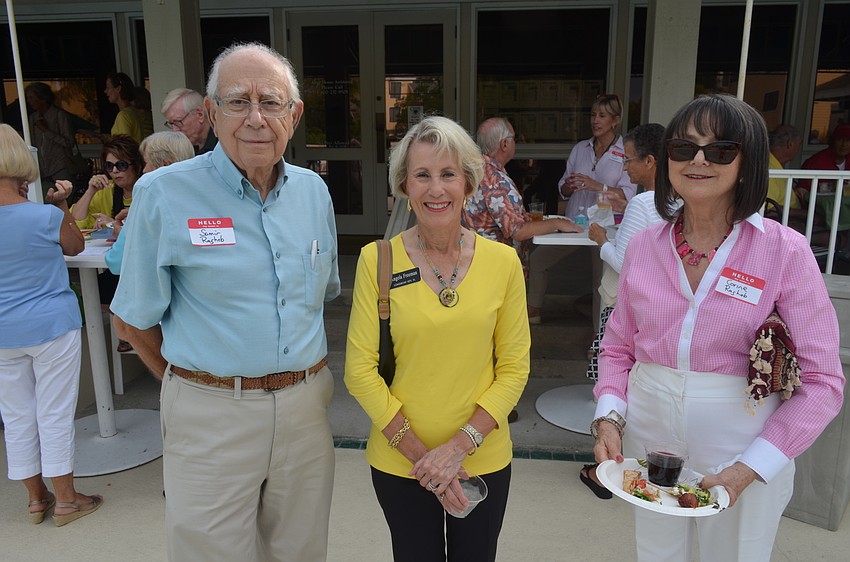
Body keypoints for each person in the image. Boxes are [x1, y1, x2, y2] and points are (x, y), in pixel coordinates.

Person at [111, 42, 340, 561]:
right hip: (210, 411)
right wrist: (187, 385)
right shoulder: (164, 194)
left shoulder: (313, 193)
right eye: (238, 102)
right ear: (211, 114)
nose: (256, 118)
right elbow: (131, 320)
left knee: (301, 552)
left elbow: (321, 298)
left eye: (272, 102)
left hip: (306, 410)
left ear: (295, 115)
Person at [592, 94, 844, 561]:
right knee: (658, 555)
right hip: (650, 440)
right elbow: (618, 348)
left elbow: (823, 383)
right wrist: (609, 416)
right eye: (684, 149)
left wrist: (752, 467)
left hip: (742, 444)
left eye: (720, 149)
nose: (700, 160)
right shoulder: (645, 246)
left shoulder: (784, 251)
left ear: (747, 161)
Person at [345, 116, 530, 562]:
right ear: (404, 188)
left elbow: (514, 368)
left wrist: (457, 449)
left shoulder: (502, 263)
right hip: (400, 463)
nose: (436, 189)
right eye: (422, 175)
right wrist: (425, 460)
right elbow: (359, 371)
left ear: (468, 182)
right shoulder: (378, 260)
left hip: (481, 458)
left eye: (448, 174)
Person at [0, 124, 103, 527]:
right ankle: (66, 499)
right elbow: (75, 246)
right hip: (50, 324)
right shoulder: (42, 215)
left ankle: (35, 499)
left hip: (4, 333)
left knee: (17, 415)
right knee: (54, 413)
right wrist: (61, 207)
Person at [582, 123, 666, 500]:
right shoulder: (686, 202)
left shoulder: (645, 202)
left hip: (624, 306)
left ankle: (606, 469)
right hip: (661, 310)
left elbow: (622, 261)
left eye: (629, 159)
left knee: (614, 380)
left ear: (651, 161)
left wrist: (601, 240)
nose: (625, 167)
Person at [527, 93, 636, 323]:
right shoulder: (580, 149)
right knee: (538, 261)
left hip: (605, 227)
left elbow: (628, 196)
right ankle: (533, 310)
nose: (595, 120)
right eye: (593, 115)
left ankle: (599, 341)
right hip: (574, 223)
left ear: (615, 120)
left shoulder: (625, 152)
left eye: (602, 116)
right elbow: (562, 189)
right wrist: (566, 186)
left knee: (602, 282)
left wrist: (598, 185)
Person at [463, 116, 581, 274]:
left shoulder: (478, 171)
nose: (516, 143)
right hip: (493, 267)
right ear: (504, 144)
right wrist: (557, 223)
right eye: (514, 138)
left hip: (476, 260)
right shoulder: (496, 181)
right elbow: (517, 231)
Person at [105, 131, 195, 275]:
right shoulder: (206, 197)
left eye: (146, 163)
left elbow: (116, 262)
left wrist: (129, 230)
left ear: (166, 165)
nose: (144, 170)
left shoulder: (149, 199)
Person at [24, 82, 77, 188]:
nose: (28, 101)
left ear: (42, 98)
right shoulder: (32, 118)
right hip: (41, 169)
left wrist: (46, 130)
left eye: (31, 97)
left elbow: (69, 143)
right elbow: (32, 143)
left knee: (64, 196)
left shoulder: (59, 116)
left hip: (60, 166)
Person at [161, 87, 217, 154]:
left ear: (200, 115)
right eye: (171, 123)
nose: (174, 130)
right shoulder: (185, 149)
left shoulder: (223, 144)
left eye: (178, 122)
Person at [766, 124, 803, 209]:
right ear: (790, 144)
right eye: (799, 144)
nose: (798, 149)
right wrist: (806, 214)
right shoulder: (769, 169)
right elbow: (770, 209)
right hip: (785, 220)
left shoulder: (775, 164)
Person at [104, 72, 144, 142]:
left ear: (118, 89)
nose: (105, 91)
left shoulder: (123, 115)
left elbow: (124, 146)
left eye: (108, 87)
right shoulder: (134, 111)